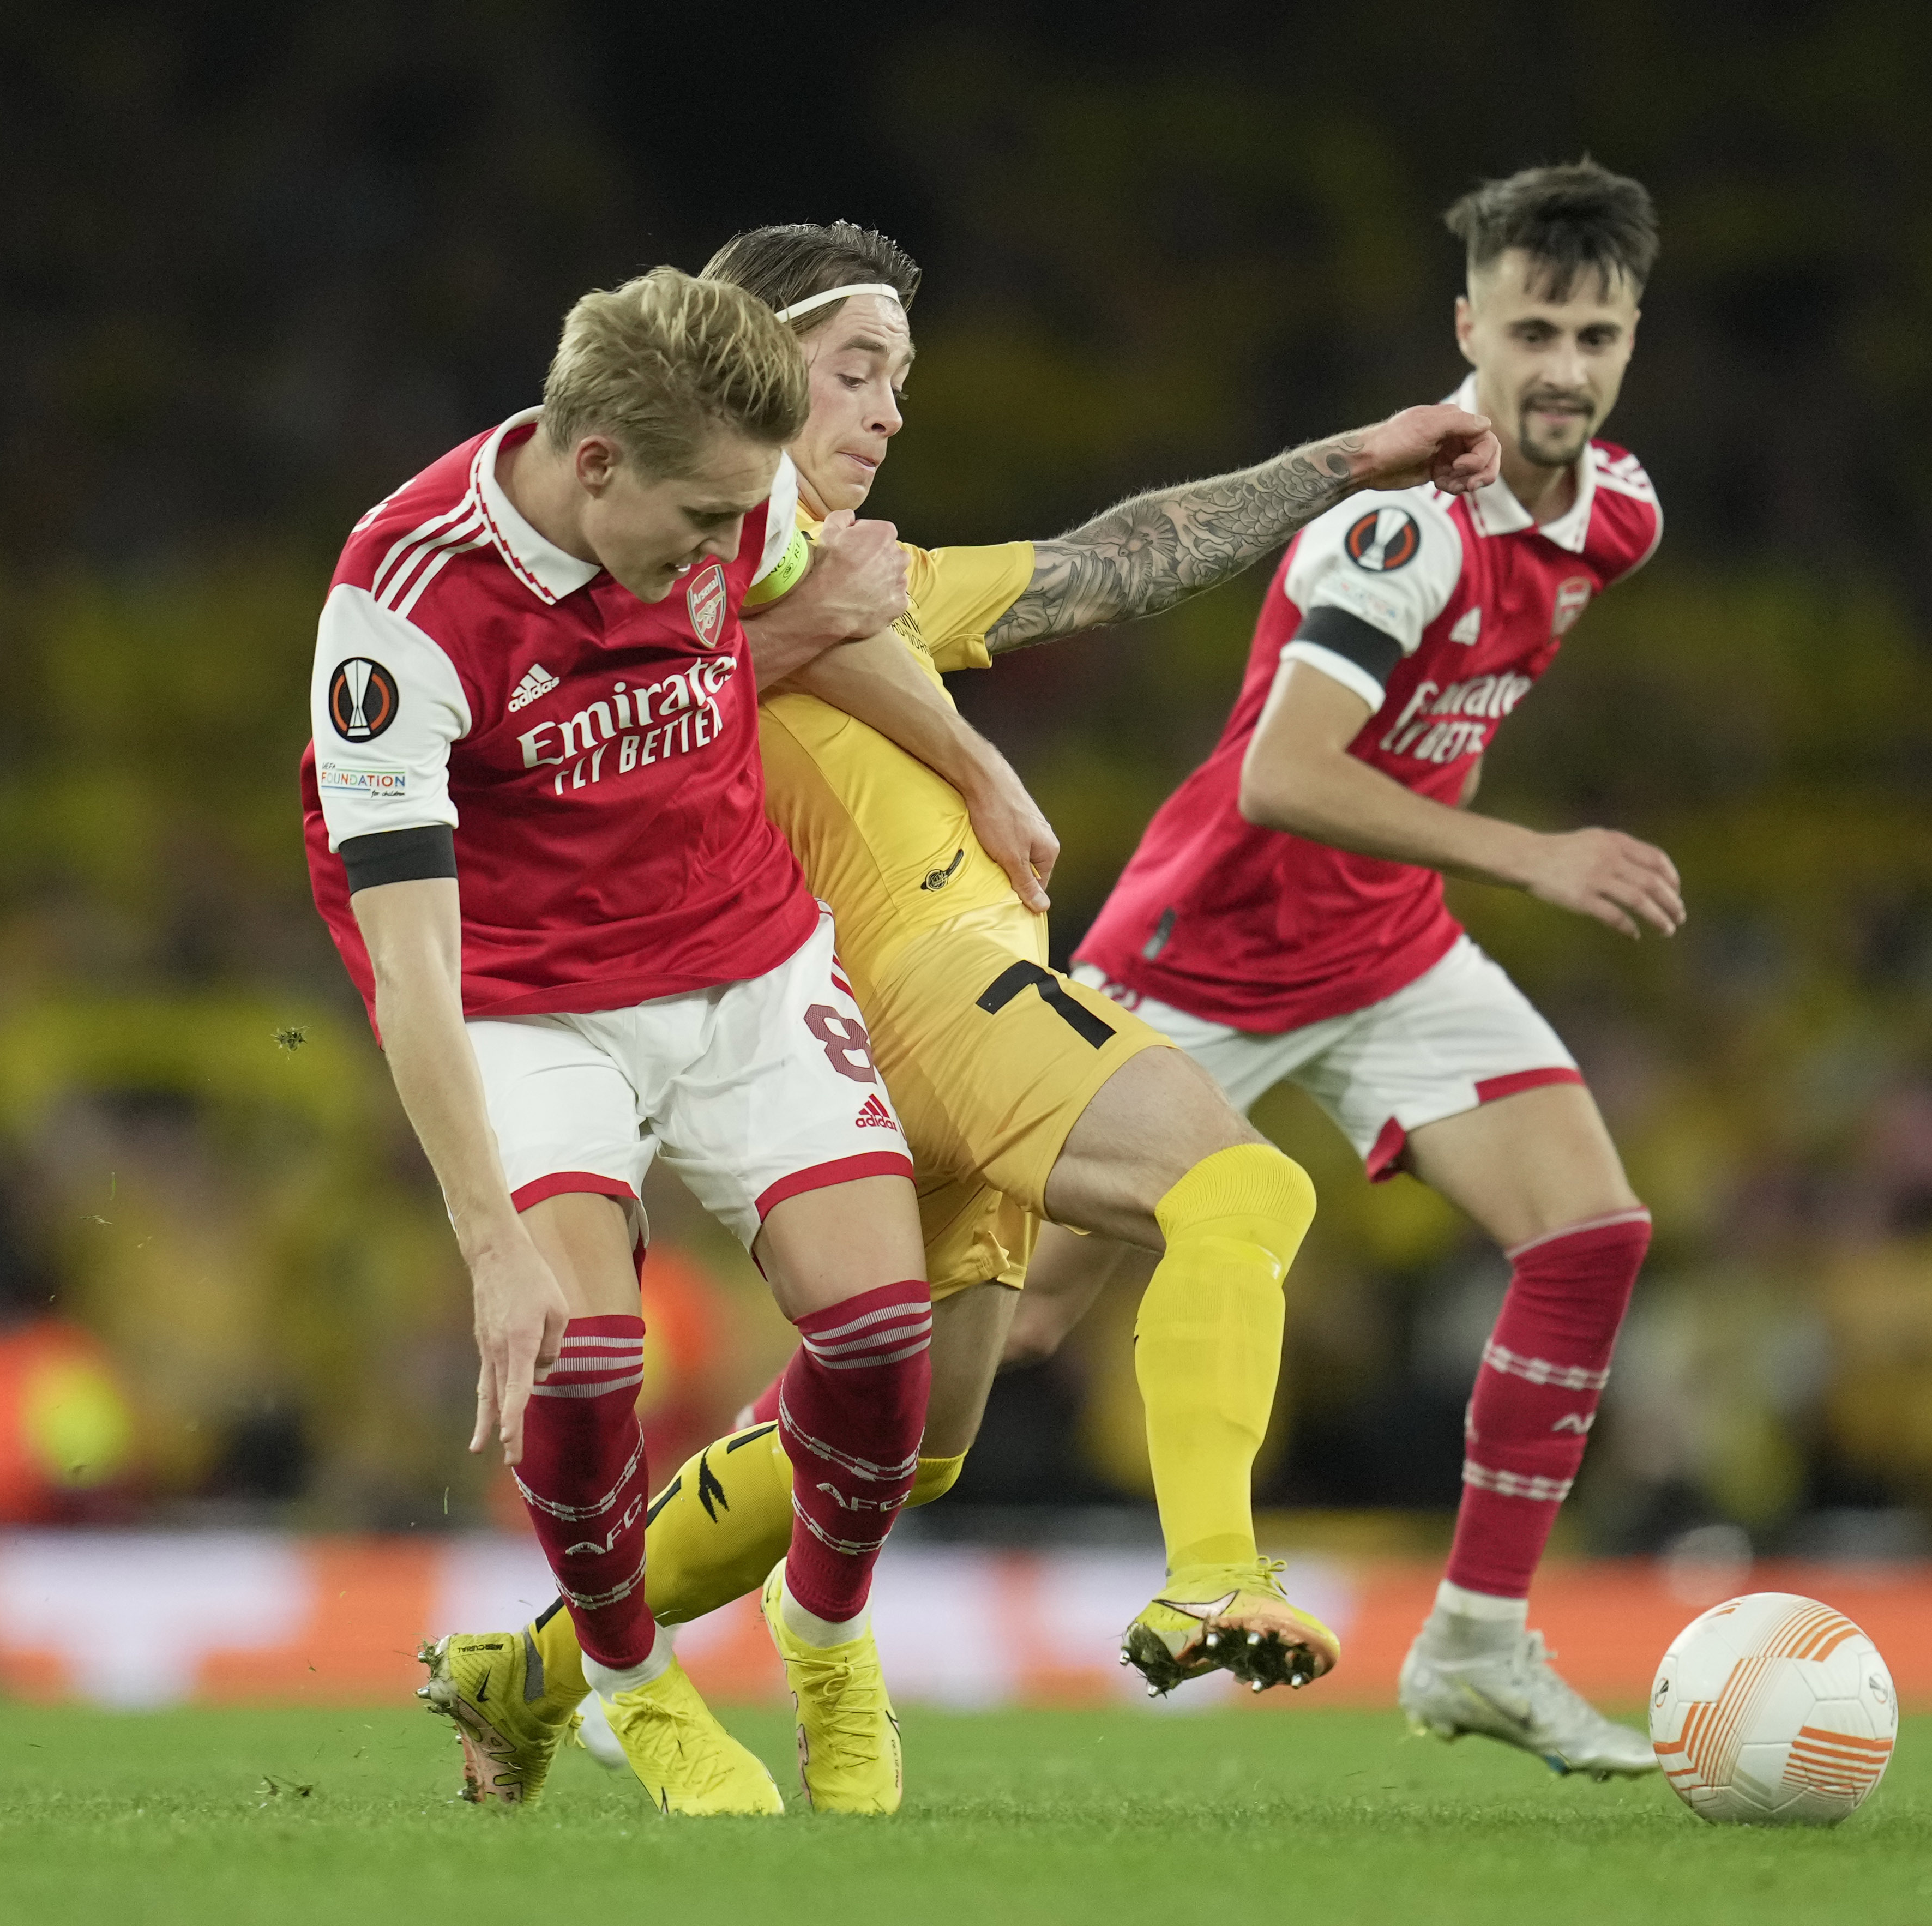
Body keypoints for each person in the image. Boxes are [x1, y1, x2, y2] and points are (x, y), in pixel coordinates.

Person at [423, 222, 1500, 1808]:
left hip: (880, 1040)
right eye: (858, 369)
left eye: (899, 379)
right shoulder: (693, 558)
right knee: (1237, 1186)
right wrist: (968, 753)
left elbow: (1114, 555)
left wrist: (1350, 458)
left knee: (899, 1436)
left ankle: (527, 1672)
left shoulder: (849, 577)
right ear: (750, 363)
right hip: (926, 991)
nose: (888, 408)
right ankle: (1211, 1568)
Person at [1018, 160, 1683, 1780]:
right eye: (1531, 328)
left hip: (1383, 950)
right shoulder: (1398, 532)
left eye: (1595, 334)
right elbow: (1284, 776)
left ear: (1628, 339)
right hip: (1196, 953)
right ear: (1468, 326)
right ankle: (647, 1575)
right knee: (1005, 1327)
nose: (1563, 369)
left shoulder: (1619, 516)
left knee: (1588, 1234)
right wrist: (1533, 855)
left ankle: (1472, 1645)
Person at [304, 267, 936, 1816]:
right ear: (595, 465)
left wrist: (980, 774)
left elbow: (803, 623)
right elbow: (411, 959)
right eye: (707, 523)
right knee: (580, 1354)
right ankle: (629, 1685)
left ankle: (830, 1639)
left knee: (879, 1334)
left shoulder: (725, 477)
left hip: (740, 949)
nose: (736, 555)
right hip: (522, 997)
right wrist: (487, 1244)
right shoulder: (398, 612)